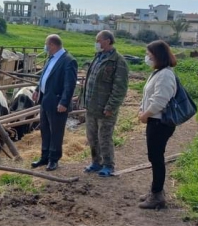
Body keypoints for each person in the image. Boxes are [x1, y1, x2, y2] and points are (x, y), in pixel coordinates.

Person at [80, 30, 129, 177]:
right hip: (91, 106)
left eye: (98, 40)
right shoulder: (98, 57)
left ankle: (108, 164)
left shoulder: (118, 62)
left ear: (107, 41)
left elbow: (120, 88)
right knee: (91, 136)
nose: (96, 43)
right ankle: (96, 162)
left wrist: (111, 106)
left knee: (104, 137)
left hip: (105, 108)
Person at [137, 40, 178, 209]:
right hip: (155, 120)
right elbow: (149, 95)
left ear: (158, 55)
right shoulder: (158, 72)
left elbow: (160, 100)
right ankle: (155, 190)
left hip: (159, 122)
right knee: (154, 157)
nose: (147, 57)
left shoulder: (165, 75)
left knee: (156, 157)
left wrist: (146, 114)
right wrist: (142, 109)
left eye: (149, 54)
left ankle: (157, 196)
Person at [31, 34, 78, 171]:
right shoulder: (51, 58)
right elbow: (44, 76)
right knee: (45, 130)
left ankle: (54, 159)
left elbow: (69, 85)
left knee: (56, 132)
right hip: (45, 99)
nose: (45, 47)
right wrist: (37, 89)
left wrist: (64, 102)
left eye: (46, 44)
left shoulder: (69, 61)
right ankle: (44, 157)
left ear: (52, 45)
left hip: (57, 102)